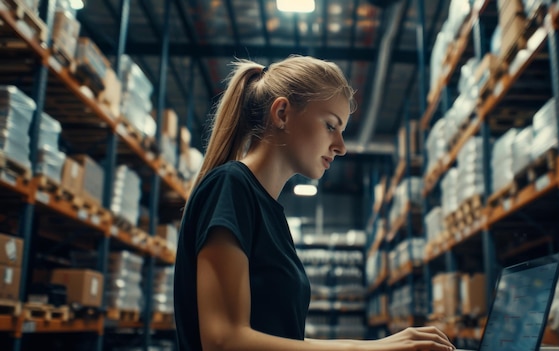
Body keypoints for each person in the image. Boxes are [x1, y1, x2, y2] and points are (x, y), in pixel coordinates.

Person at [173, 55, 456, 351]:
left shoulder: (270, 212)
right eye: (331, 126)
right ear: (282, 113)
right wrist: (372, 350)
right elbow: (224, 341)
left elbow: (283, 341)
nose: (341, 146)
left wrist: (379, 345)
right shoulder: (230, 187)